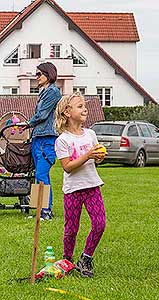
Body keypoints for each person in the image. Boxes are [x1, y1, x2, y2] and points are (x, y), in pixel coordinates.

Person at [54, 92, 107, 277]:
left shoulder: (90, 134)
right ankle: (67, 260)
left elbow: (96, 159)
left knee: (100, 224)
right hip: (73, 190)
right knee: (71, 229)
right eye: (79, 106)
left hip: (92, 186)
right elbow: (68, 167)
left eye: (84, 105)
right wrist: (88, 156)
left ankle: (86, 258)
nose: (84, 109)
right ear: (67, 112)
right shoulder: (63, 140)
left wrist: (99, 157)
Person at [28, 62, 61, 220]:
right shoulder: (43, 92)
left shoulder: (53, 92)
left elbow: (42, 114)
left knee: (42, 174)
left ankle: (46, 211)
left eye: (39, 74)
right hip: (38, 137)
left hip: (46, 138)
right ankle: (39, 211)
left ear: (48, 75)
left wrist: (27, 124)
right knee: (38, 176)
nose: (36, 77)